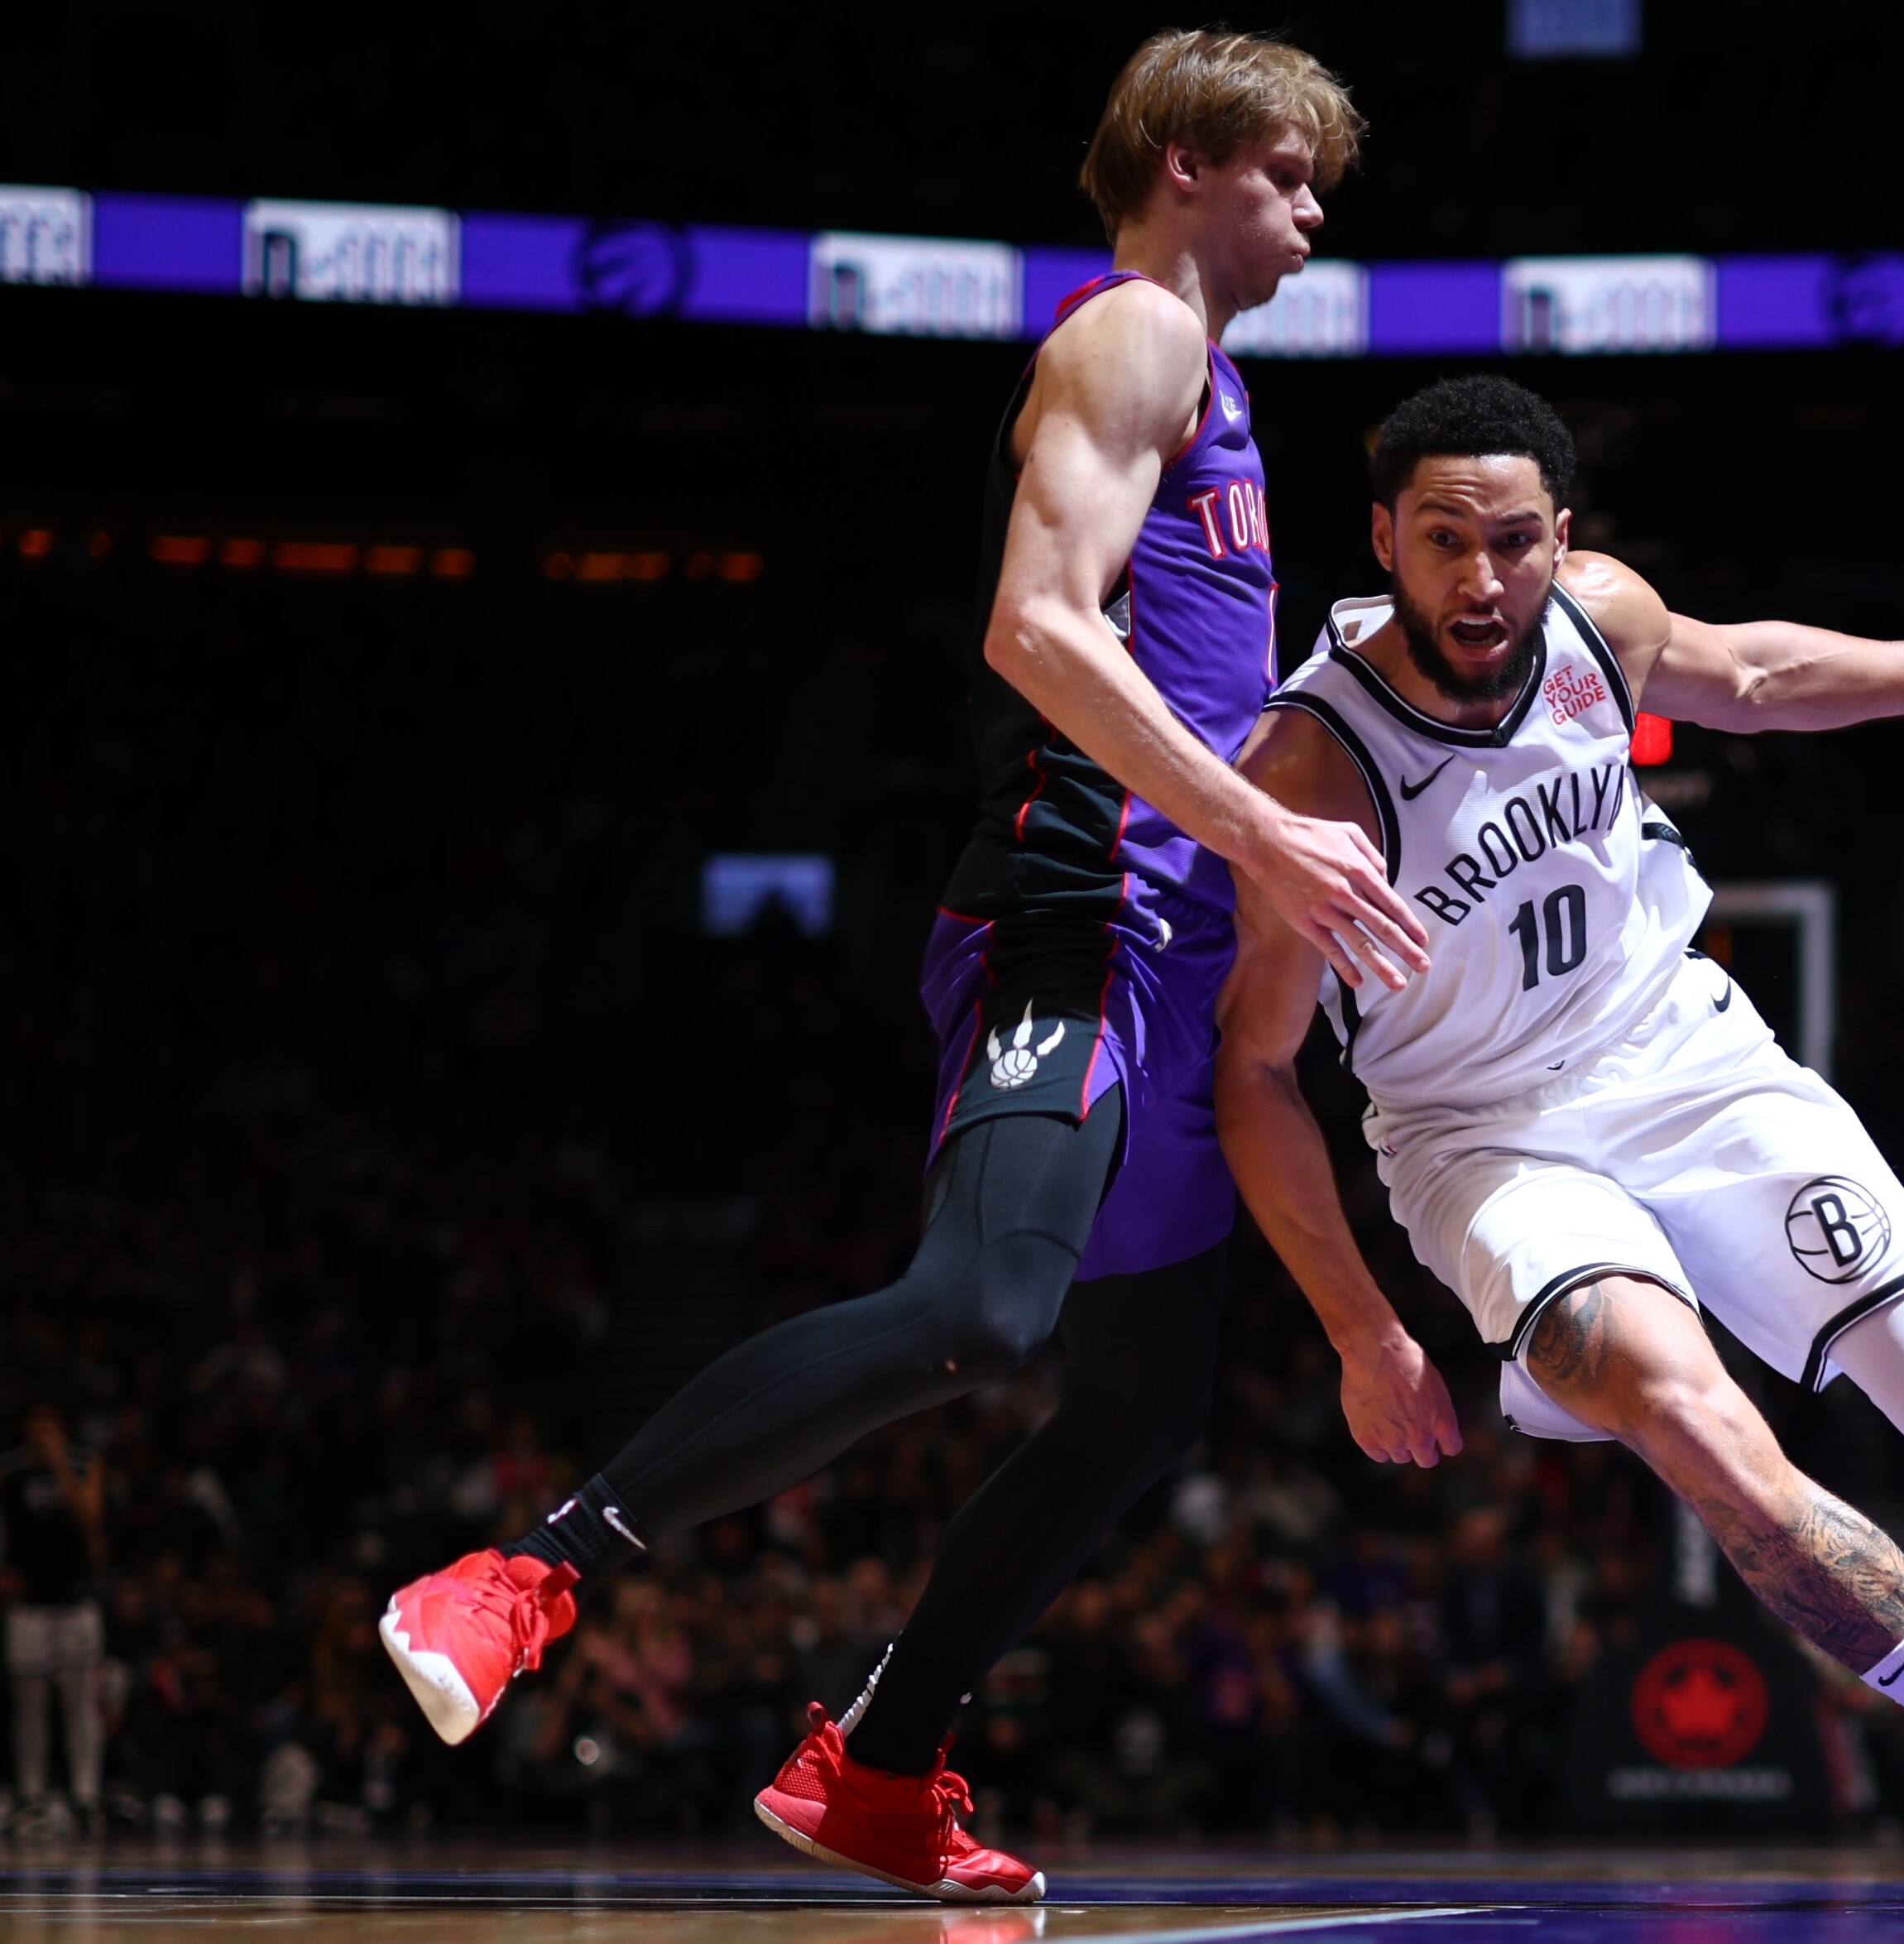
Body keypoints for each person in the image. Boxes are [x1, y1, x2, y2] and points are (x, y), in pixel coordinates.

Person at [373, 30, 1427, 1904]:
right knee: (987, 1315)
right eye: (1284, 169)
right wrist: (1262, 826)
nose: (1313, 206)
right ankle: (526, 1570)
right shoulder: (1131, 339)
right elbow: (1036, 628)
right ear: (1182, 160)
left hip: (1186, 938)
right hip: (1082, 901)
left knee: (1136, 1405)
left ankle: (881, 1759)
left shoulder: (1222, 383)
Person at [1216, 375, 1904, 1914]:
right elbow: (1251, 1068)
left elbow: (1759, 676)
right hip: (1478, 1134)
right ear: (1382, 539)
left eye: (1512, 539)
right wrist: (1359, 1323)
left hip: (1683, 1055)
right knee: (1674, 1402)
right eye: (1441, 539)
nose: (1480, 575)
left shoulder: (1598, 620)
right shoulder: (1313, 767)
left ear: (1560, 538)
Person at [2, 1406, 107, 1836]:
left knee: (81, 1704)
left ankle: (85, 1797)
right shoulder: (9, 1473)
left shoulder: (85, 1464)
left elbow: (90, 1518)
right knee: (30, 1707)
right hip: (29, 1606)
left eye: (51, 1425)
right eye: (37, 1425)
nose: (43, 1433)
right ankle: (31, 1796)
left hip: (75, 1603)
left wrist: (60, 1464)